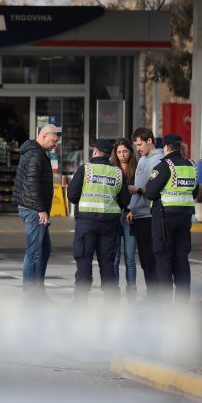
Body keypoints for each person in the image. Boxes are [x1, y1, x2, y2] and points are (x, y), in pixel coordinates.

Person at [67, 138, 131, 302]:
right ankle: (112, 302)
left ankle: (80, 301)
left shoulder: (85, 170)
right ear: (109, 154)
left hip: (86, 223)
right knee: (107, 263)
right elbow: (125, 201)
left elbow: (72, 196)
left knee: (84, 261)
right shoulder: (117, 173)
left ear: (95, 152)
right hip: (109, 225)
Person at [144, 134, 199, 301]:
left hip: (164, 218)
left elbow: (151, 193)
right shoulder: (192, 165)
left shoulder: (164, 166)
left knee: (163, 258)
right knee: (181, 258)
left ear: (166, 148)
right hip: (184, 218)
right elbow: (195, 192)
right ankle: (182, 303)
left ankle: (165, 304)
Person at [12, 123, 60, 296]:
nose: (55, 144)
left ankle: (37, 289)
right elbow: (32, 184)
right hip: (33, 209)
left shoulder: (37, 152)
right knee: (34, 251)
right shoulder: (35, 154)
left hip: (33, 207)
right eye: (53, 141)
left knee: (44, 249)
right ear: (45, 136)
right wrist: (41, 210)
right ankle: (32, 293)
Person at [127, 127, 163, 294]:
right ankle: (153, 294)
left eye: (140, 144)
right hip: (139, 214)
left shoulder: (158, 160)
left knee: (151, 259)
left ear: (150, 141)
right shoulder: (142, 159)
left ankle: (155, 296)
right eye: (136, 145)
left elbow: (153, 189)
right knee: (144, 260)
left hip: (150, 215)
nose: (138, 148)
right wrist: (132, 208)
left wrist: (138, 191)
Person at [110, 138, 138, 301]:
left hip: (130, 216)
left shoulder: (138, 168)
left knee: (130, 257)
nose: (122, 155)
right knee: (114, 258)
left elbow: (141, 192)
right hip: (114, 215)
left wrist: (132, 209)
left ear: (130, 151)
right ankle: (114, 290)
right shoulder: (112, 169)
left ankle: (132, 290)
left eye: (125, 151)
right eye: (119, 152)